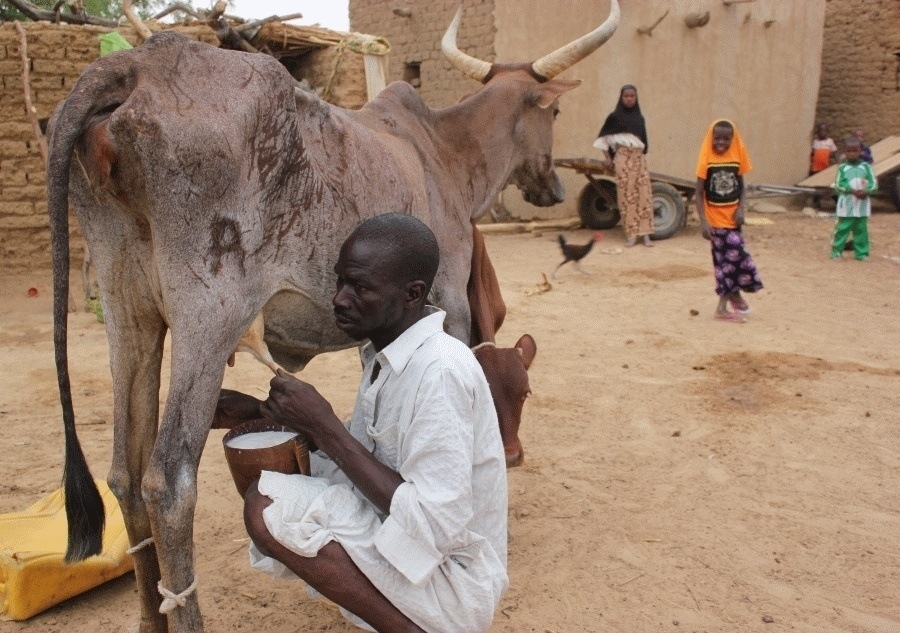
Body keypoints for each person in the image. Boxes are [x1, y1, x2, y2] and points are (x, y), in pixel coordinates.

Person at [216, 213, 509, 633]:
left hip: (453, 581)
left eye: (362, 287)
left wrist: (325, 428)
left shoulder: (440, 370)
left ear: (413, 293)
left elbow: (434, 525)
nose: (339, 298)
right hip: (420, 555)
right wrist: (259, 413)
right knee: (278, 472)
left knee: (269, 508)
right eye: (340, 282)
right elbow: (361, 462)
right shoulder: (385, 358)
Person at [694, 120, 764, 323]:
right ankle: (723, 307)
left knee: (731, 262)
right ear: (711, 138)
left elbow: (742, 187)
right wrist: (703, 222)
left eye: (726, 138)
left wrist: (741, 209)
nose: (721, 142)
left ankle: (733, 299)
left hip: (733, 221)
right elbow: (698, 194)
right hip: (716, 222)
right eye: (717, 138)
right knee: (729, 262)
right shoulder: (707, 159)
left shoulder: (736, 158)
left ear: (733, 139)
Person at [594, 84, 654, 247]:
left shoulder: (640, 118)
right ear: (621, 98)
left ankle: (646, 233)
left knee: (644, 194)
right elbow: (603, 139)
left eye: (632, 96)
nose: (629, 99)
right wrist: (607, 157)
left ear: (636, 98)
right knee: (627, 196)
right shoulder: (614, 117)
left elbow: (645, 143)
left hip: (639, 158)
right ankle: (632, 234)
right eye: (626, 96)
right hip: (623, 159)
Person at [831, 137, 877, 261]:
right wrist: (851, 191)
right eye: (849, 151)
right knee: (842, 228)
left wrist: (867, 191)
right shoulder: (842, 168)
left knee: (861, 229)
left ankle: (862, 253)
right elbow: (838, 184)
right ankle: (836, 251)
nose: (852, 153)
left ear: (861, 151)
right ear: (844, 152)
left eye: (855, 150)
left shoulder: (866, 167)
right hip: (847, 204)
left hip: (862, 204)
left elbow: (873, 183)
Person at [809, 122, 838, 209]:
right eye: (820, 130)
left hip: (825, 168)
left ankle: (837, 202)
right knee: (816, 187)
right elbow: (813, 154)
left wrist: (839, 163)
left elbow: (835, 153)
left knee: (829, 187)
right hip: (815, 169)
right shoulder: (815, 142)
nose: (822, 132)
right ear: (817, 132)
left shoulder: (830, 142)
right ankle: (816, 204)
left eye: (825, 130)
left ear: (828, 132)